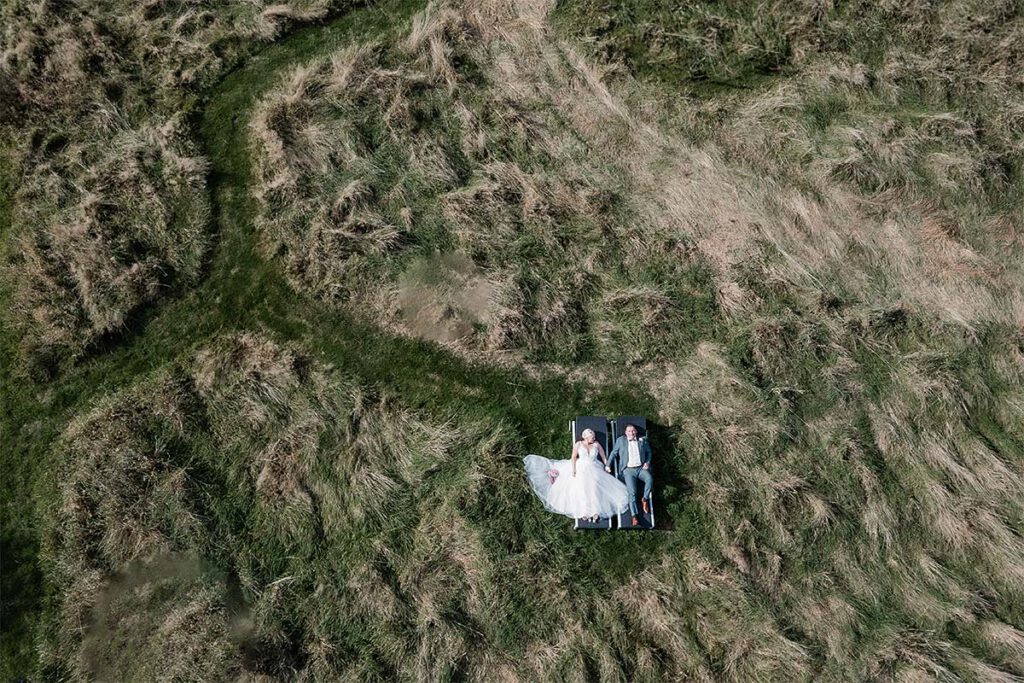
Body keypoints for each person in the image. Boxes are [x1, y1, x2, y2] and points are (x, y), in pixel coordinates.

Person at [523, 428, 629, 522]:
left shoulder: (596, 444)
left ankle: (595, 511)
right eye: (592, 437)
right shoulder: (578, 444)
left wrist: (607, 465)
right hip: (581, 467)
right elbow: (573, 457)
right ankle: (584, 511)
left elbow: (603, 456)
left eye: (594, 437)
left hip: (594, 467)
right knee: (582, 489)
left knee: (594, 489)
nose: (594, 438)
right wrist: (573, 470)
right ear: (586, 437)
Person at [606, 423, 652, 527]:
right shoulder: (620, 441)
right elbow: (614, 453)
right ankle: (634, 516)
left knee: (649, 479)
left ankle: (644, 499)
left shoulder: (642, 439)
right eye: (629, 431)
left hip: (640, 468)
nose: (632, 433)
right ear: (626, 433)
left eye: (633, 431)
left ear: (636, 432)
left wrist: (647, 462)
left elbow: (649, 452)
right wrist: (608, 465)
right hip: (628, 470)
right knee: (632, 492)